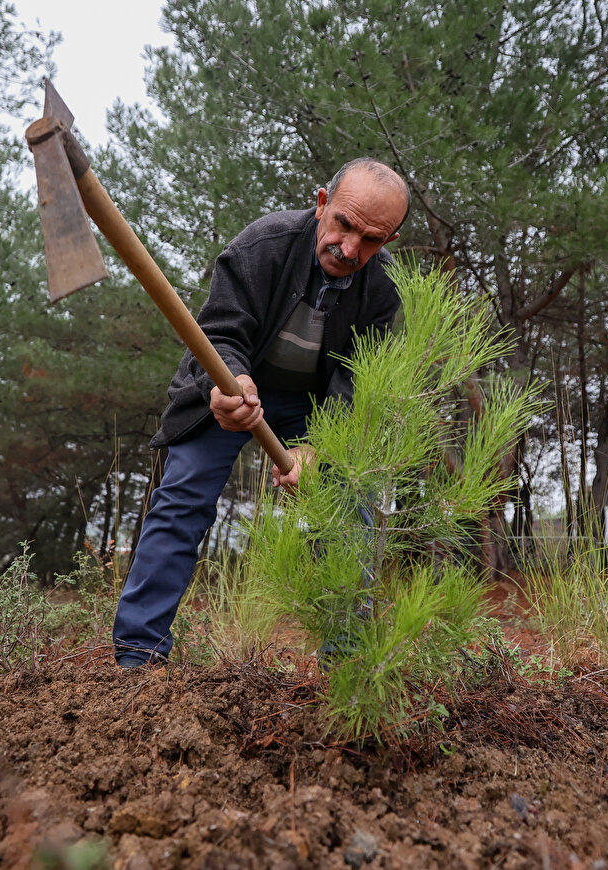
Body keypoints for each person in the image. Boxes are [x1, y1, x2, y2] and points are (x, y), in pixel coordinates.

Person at [113, 158, 411, 669]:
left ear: (389, 241)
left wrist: (321, 449)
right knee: (182, 497)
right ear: (322, 204)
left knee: (351, 509)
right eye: (343, 224)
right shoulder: (262, 246)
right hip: (231, 385)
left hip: (320, 409)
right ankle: (138, 656)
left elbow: (360, 384)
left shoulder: (384, 294)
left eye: (372, 239)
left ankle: (345, 668)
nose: (350, 249)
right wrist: (230, 383)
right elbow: (220, 332)